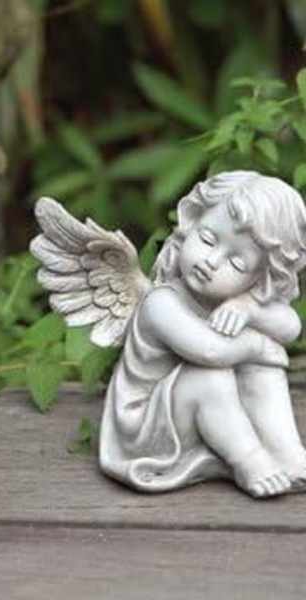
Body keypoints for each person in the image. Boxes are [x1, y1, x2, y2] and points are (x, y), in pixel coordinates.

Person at [100, 171, 306, 497]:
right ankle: (250, 460)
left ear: (260, 278)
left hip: (190, 416)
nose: (212, 262)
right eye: (208, 239)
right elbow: (210, 351)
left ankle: (287, 453)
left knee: (262, 370)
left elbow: (291, 326)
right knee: (210, 376)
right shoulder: (161, 302)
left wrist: (249, 308)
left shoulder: (233, 300)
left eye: (237, 264)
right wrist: (259, 346)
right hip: (145, 428)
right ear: (191, 224)